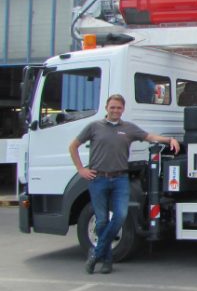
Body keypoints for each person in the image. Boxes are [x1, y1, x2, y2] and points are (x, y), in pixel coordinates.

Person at [69, 94, 180, 274]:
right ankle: (107, 261)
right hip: (98, 179)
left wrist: (169, 140)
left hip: (120, 179)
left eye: (118, 108)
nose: (115, 110)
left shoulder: (128, 129)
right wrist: (81, 169)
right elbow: (73, 146)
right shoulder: (94, 127)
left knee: (120, 216)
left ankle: (95, 252)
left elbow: (148, 136)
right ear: (106, 107)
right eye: (112, 107)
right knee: (102, 220)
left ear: (123, 109)